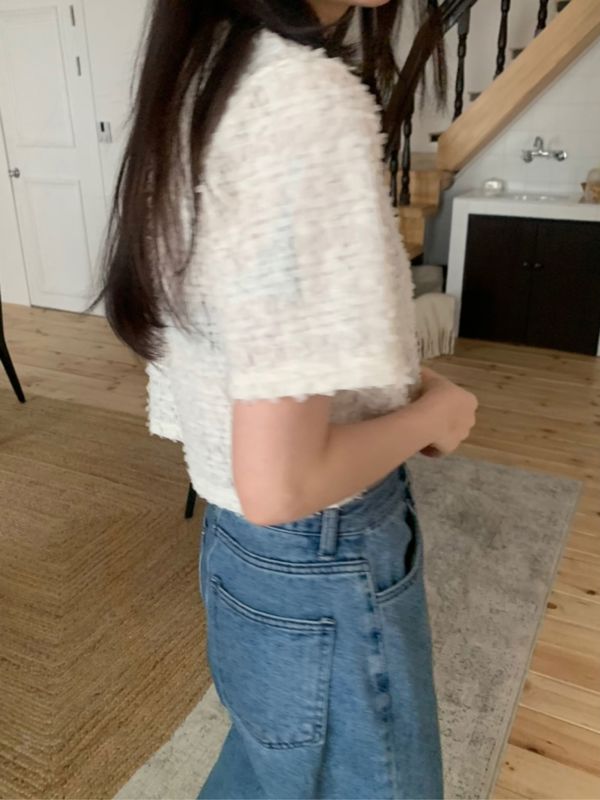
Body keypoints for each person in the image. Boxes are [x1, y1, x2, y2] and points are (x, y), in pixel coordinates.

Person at [96, 1, 478, 797]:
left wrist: (396, 387)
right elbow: (282, 484)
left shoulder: (201, 81)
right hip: (324, 554)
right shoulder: (300, 100)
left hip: (238, 547)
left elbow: (259, 350)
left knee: (266, 771)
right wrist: (434, 417)